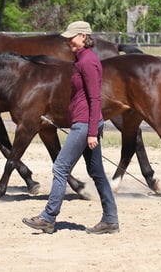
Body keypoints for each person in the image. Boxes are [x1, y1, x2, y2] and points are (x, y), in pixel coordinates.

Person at [22, 21, 119, 235]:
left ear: (83, 36)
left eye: (72, 37)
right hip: (83, 122)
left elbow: (95, 98)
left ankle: (48, 218)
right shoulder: (81, 59)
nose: (68, 41)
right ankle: (111, 220)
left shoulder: (88, 62)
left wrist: (92, 131)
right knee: (97, 172)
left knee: (60, 167)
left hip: (86, 124)